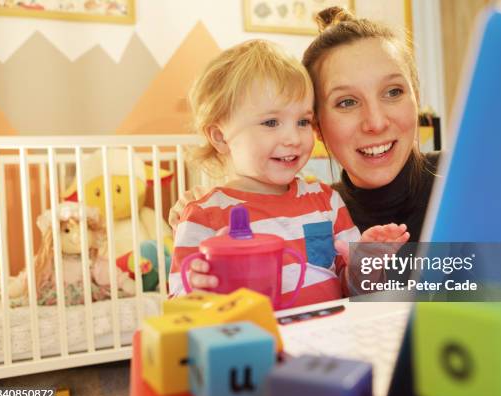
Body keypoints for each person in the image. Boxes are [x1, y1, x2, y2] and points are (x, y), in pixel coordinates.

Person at [169, 39, 409, 307]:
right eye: (271, 122)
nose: (293, 138)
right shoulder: (204, 215)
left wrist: (366, 264)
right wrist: (203, 289)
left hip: (329, 339)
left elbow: (352, 289)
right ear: (220, 137)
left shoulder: (326, 201)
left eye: (303, 121)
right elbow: (180, 304)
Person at [303, 7, 440, 242]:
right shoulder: (309, 221)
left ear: (416, 98)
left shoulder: (471, 177)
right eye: (347, 102)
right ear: (316, 126)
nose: (375, 123)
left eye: (393, 92)